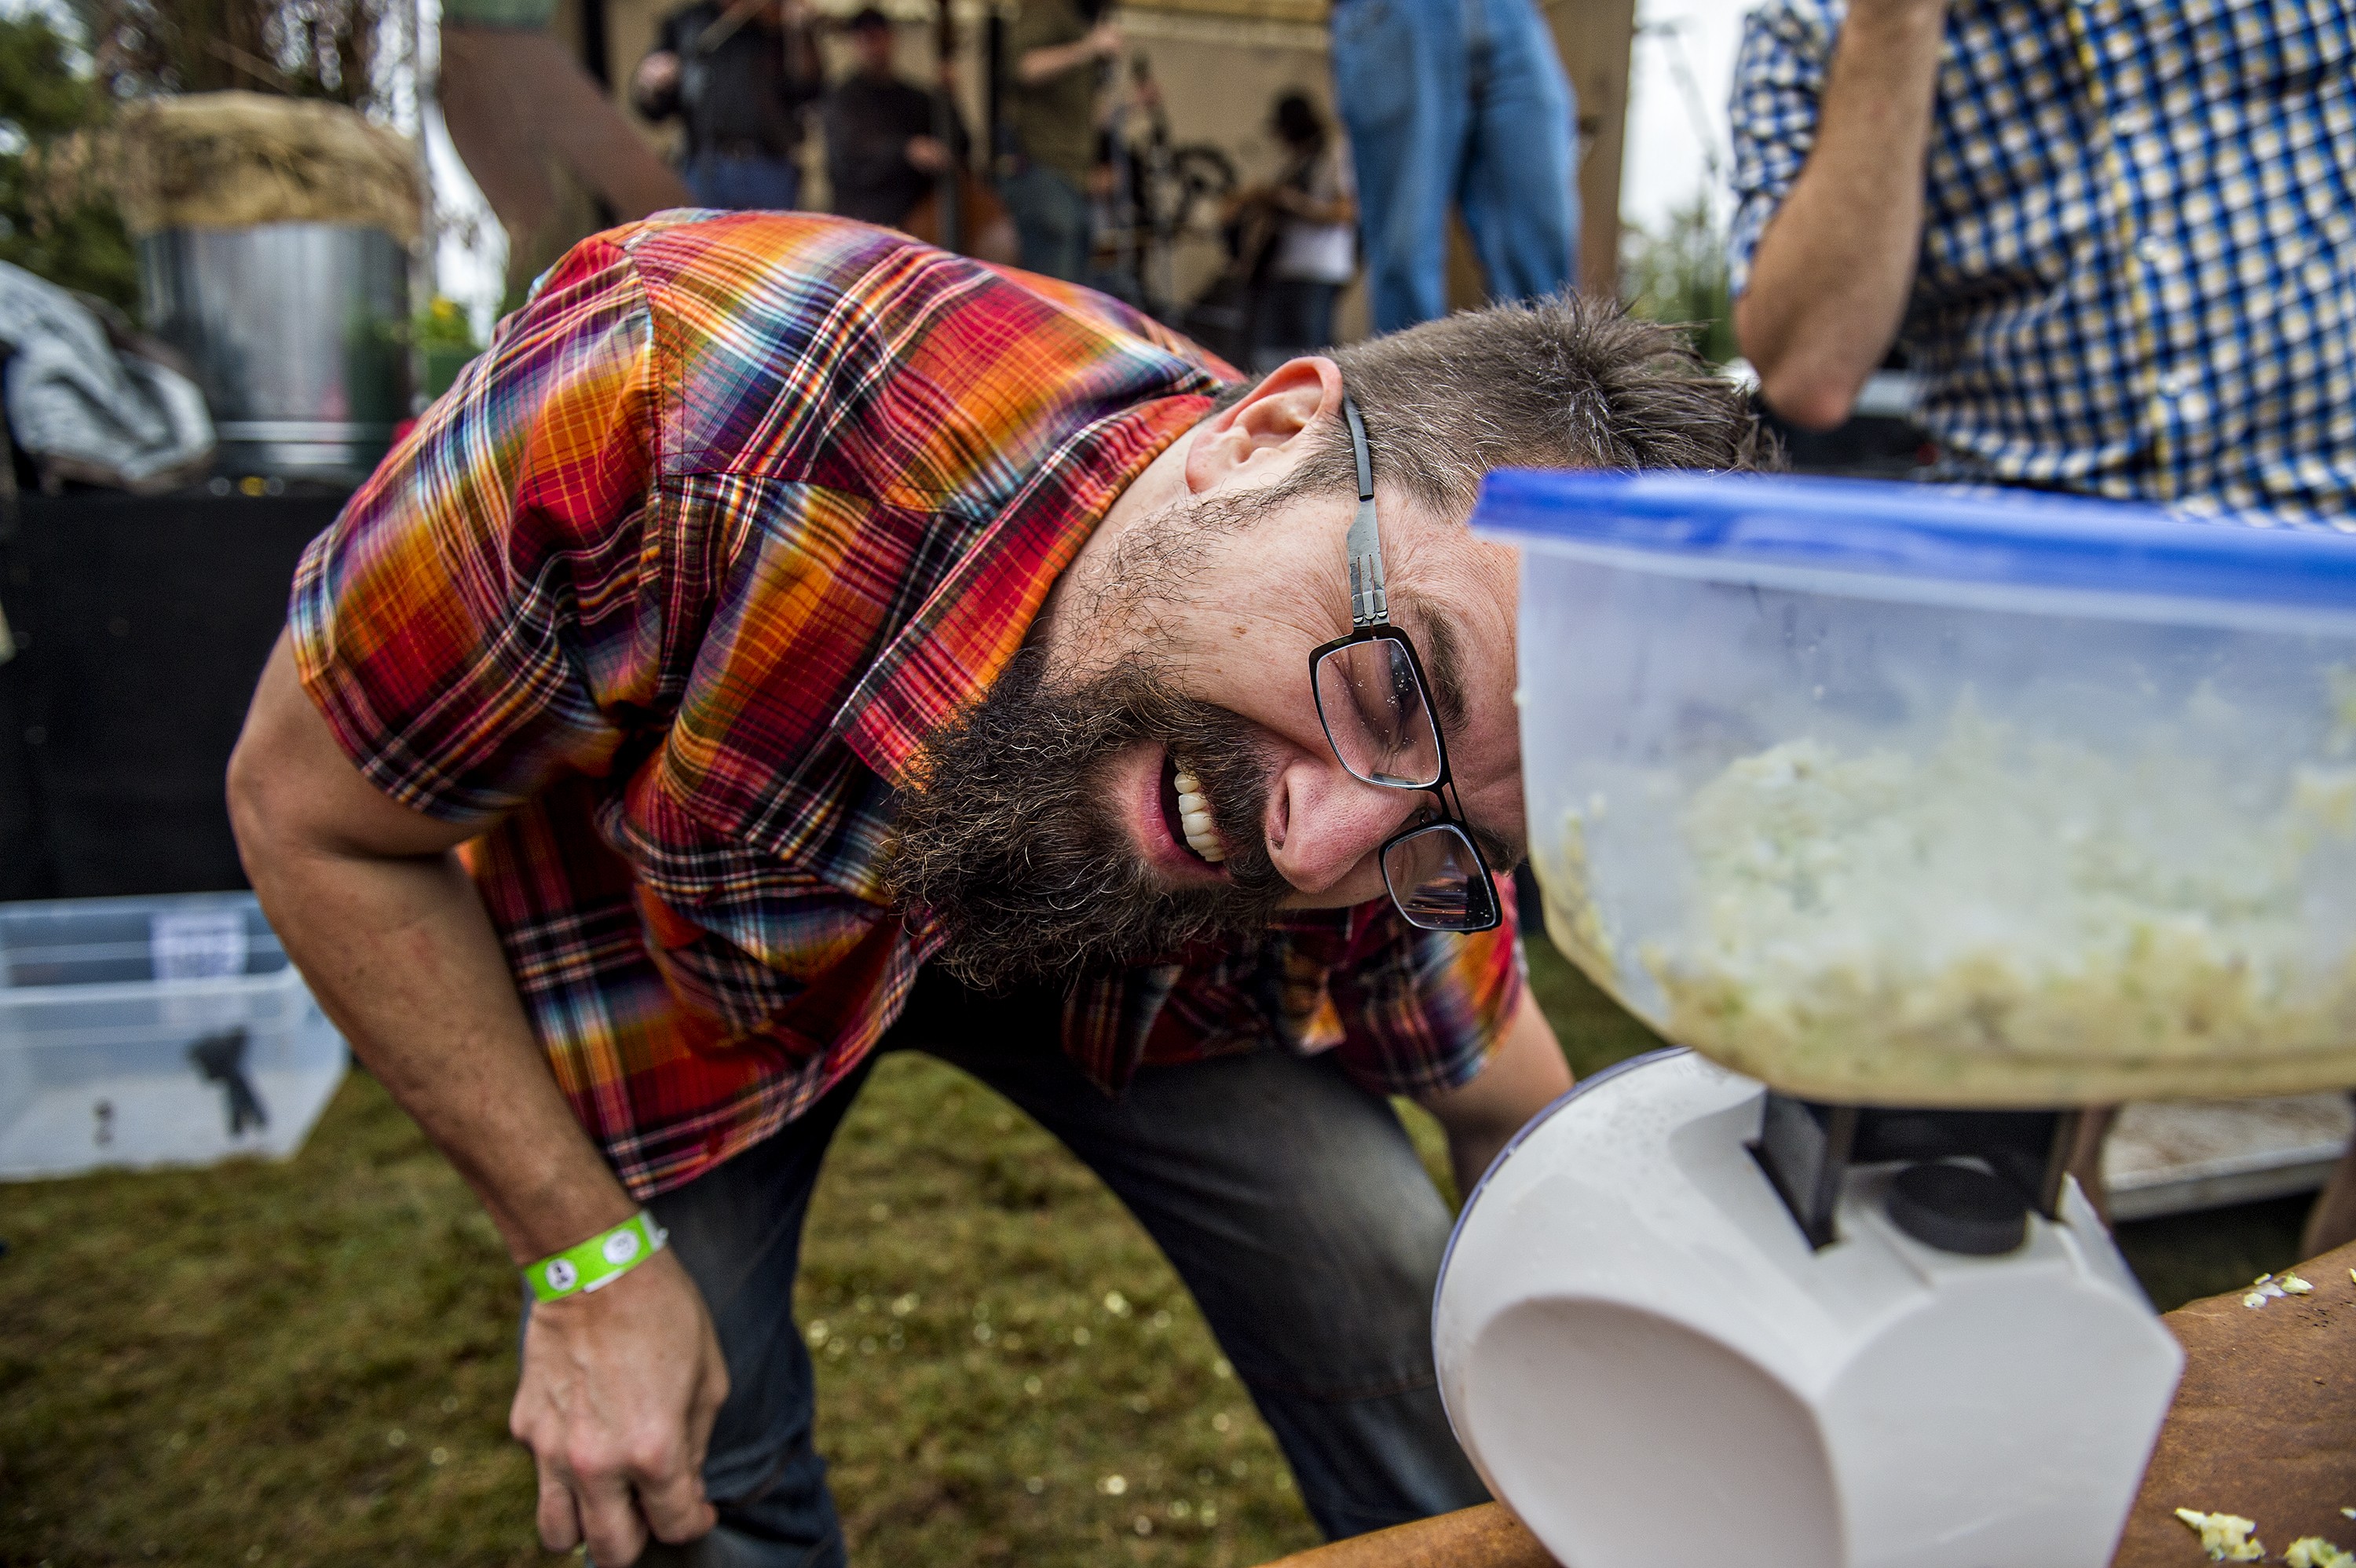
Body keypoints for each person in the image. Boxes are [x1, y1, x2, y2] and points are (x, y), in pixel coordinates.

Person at [226, 210, 1761, 1568]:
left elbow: (1500, 1088)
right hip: (677, 961)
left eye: (1440, 833)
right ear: (1263, 431)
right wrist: (579, 1252)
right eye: (1394, 689)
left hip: (1126, 962)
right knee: (699, 1423)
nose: (1311, 846)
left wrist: (1660, 1331)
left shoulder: (1371, 794)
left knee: (1381, 1260)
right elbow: (308, 814)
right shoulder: (669, 397)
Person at [1728, 0, 2356, 523]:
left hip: (2326, 540)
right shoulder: (1808, 25)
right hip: (2023, 588)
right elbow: (1809, 374)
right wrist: (1893, 23)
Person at [1328, 0, 1579, 334]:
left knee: (1544, 253)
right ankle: (1411, 384)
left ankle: (1545, 385)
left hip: (1511, 12)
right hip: (1395, 13)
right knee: (1406, 258)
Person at [632, 0, 824, 211]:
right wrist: (651, 85)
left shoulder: (775, 22)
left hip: (769, 165)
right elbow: (653, 108)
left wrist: (799, 34)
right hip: (704, 166)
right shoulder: (686, 23)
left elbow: (810, 90)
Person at [1230, 92, 1358, 372]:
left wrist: (1290, 202)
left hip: (1319, 269)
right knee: (1271, 354)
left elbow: (1346, 212)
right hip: (1283, 268)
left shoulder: (1335, 152)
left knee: (1313, 355)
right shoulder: (1297, 159)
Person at [999, 0, 1120, 280]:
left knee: (1076, 290)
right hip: (1042, 171)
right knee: (1053, 294)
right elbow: (1024, 66)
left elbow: (1090, 116)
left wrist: (1133, 106)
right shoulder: (1047, 8)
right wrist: (1089, 47)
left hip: (1074, 178)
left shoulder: (1085, 19)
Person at [821, 8, 963, 230]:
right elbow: (852, 159)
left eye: (878, 37)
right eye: (865, 40)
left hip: (917, 219)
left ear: (891, 38)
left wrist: (949, 99)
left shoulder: (916, 97)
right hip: (864, 222)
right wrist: (907, 150)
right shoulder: (843, 99)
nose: (873, 48)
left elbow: (959, 145)